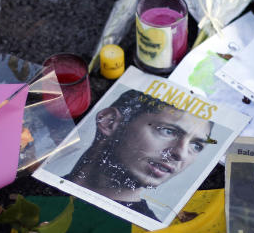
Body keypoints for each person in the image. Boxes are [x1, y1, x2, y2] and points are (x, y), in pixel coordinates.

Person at [63, 90, 214, 221]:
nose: (180, 154)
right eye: (168, 131)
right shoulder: (42, 184)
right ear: (109, 122)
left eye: (196, 146)